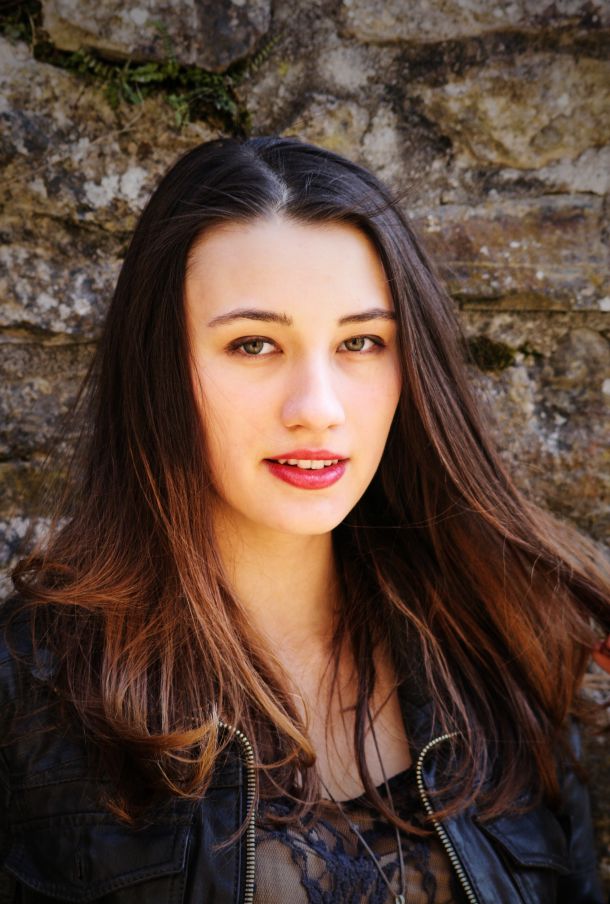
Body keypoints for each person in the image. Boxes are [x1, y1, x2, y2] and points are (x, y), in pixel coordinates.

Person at [0, 135, 608, 904]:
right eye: (253, 344)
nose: (316, 409)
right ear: (159, 366)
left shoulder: (501, 647)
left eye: (362, 342)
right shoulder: (32, 689)